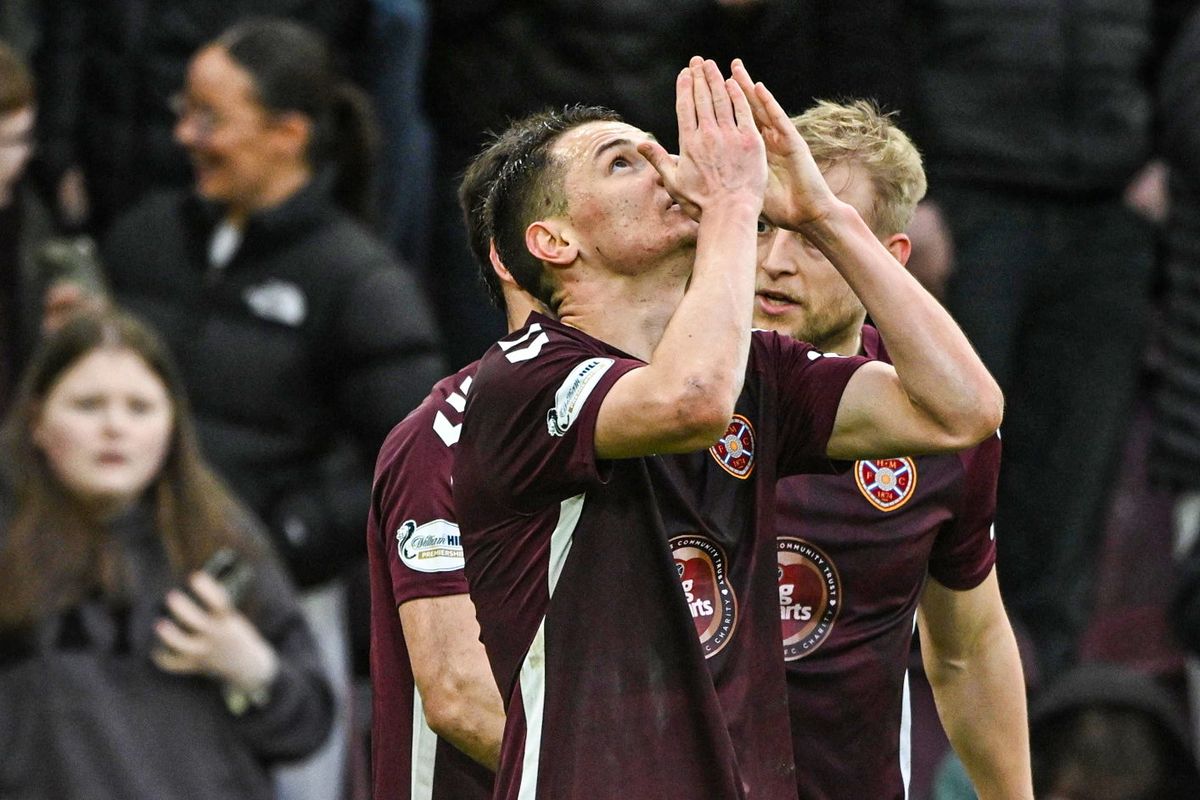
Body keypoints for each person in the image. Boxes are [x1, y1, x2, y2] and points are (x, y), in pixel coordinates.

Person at [452, 59, 1002, 797]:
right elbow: (692, 403)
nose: (668, 168)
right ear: (555, 242)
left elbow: (962, 411)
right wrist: (735, 206)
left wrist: (826, 217)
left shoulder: (761, 371)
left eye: (659, 150)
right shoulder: (522, 377)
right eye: (622, 163)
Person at [97, 18, 446, 800]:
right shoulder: (143, 238)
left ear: (288, 134)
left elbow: (416, 460)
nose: (185, 135)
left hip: (271, 603)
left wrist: (284, 540)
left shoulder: (361, 285)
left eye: (210, 118)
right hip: (117, 581)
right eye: (183, 111)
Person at [748, 99, 1030, 800]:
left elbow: (966, 652)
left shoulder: (941, 426)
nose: (775, 263)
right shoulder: (650, 391)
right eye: (760, 225)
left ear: (890, 260)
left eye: (816, 236)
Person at [0, 309, 332, 800]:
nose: (115, 427)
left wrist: (252, 668)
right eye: (88, 405)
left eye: (140, 408)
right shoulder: (9, 545)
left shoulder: (220, 538)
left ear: (173, 425)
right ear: (36, 421)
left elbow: (309, 726)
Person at [365, 133, 546, 799]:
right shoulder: (446, 436)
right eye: (618, 166)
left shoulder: (679, 423)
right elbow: (461, 697)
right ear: (522, 250)